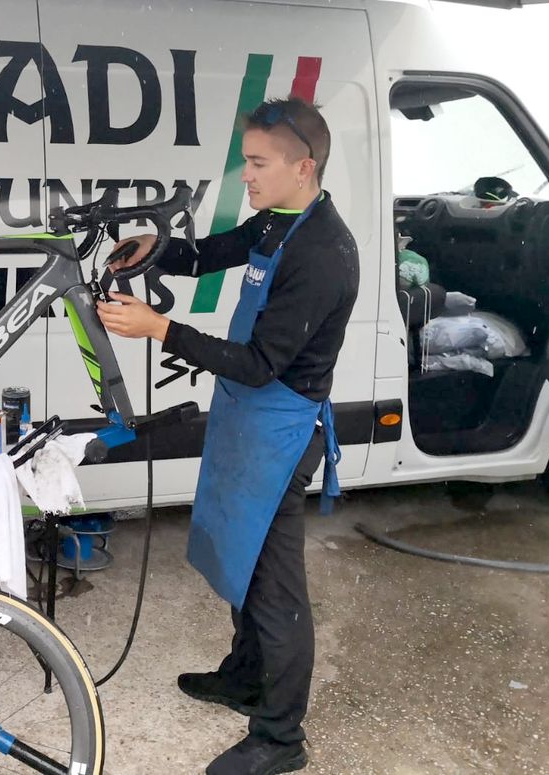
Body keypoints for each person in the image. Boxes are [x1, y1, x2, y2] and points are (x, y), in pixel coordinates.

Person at [96, 96, 359, 774]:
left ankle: (280, 737)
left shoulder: (325, 252)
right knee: (237, 563)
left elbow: (259, 361)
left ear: (304, 166)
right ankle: (245, 678)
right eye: (247, 161)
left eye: (257, 163)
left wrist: (161, 330)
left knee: (275, 587)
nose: (246, 175)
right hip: (246, 416)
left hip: (280, 428)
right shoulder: (275, 221)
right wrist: (160, 251)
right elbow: (215, 251)